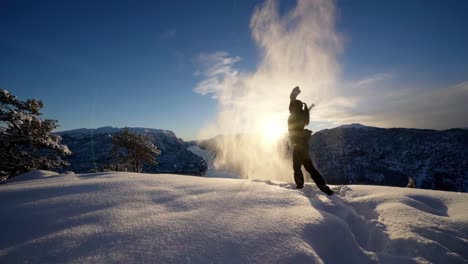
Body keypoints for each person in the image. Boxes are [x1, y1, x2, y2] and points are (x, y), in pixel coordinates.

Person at [288, 86, 333, 195]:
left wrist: (293, 96)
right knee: (309, 168)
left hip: (298, 145)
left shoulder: (295, 115)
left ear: (296, 108)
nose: (290, 108)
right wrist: (296, 99)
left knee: (297, 167)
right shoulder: (302, 114)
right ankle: (323, 186)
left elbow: (292, 105)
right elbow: (295, 106)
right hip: (302, 145)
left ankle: (300, 187)